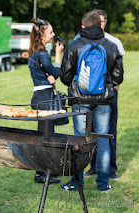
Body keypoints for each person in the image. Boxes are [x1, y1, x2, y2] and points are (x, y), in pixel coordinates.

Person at [60, 11, 124, 192]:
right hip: (104, 101)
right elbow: (118, 77)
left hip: (79, 100)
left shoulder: (73, 45)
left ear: (83, 26)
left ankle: (76, 182)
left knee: (80, 140)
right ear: (100, 25)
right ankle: (103, 184)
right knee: (102, 140)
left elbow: (64, 76)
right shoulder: (111, 46)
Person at [84, 9, 126, 181]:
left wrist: (114, 88)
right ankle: (94, 166)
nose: (98, 25)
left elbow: (119, 71)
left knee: (109, 132)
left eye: (101, 21)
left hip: (108, 95)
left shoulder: (114, 42)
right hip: (89, 95)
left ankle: (111, 169)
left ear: (105, 22)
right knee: (91, 132)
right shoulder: (85, 41)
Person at [28, 18, 64, 184]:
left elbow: (49, 74)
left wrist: (49, 76)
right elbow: (56, 72)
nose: (53, 35)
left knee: (46, 135)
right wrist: (58, 54)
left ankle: (47, 170)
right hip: (44, 98)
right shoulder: (42, 54)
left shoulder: (34, 53)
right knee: (45, 137)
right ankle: (40, 174)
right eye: (50, 32)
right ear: (42, 36)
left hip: (39, 96)